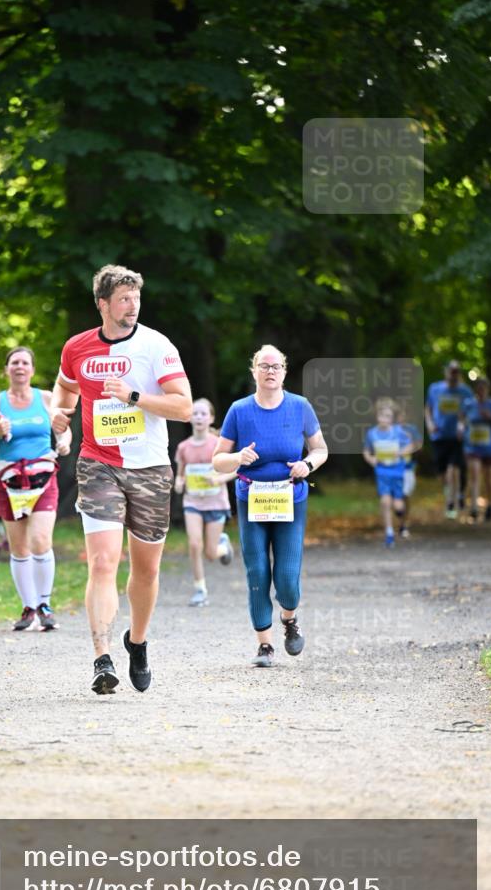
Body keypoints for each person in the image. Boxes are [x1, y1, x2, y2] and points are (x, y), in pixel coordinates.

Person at [51, 264, 192, 694]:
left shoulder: (156, 345)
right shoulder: (77, 347)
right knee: (102, 562)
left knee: (146, 570)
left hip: (150, 468)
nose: (132, 306)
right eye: (124, 299)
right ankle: (102, 658)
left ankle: (138, 641)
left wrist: (134, 396)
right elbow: (65, 388)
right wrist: (59, 414)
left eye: (136, 298)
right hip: (98, 464)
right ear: (103, 304)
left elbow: (183, 406)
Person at [212, 345, 327, 667]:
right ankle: (265, 646)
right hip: (252, 498)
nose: (270, 371)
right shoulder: (239, 410)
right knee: (257, 571)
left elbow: (320, 449)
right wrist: (238, 457)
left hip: (290, 498)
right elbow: (218, 460)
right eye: (264, 366)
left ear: (284, 372)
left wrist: (307, 464)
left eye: (276, 366)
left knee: (287, 575)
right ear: (254, 371)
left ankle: (289, 619)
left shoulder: (300, 406)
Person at [0, 346, 71, 631]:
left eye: (25, 362)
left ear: (32, 369)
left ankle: (44, 605)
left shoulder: (46, 398)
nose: (19, 366)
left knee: (40, 540)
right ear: (6, 370)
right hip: (9, 481)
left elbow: (63, 428)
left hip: (43, 478)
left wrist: (64, 442)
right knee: (18, 547)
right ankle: (28, 608)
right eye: (14, 362)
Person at [174, 398, 235, 606]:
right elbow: (181, 473)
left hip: (216, 502)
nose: (199, 417)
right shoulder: (183, 447)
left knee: (210, 553)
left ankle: (223, 547)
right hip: (192, 501)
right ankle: (200, 589)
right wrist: (179, 482)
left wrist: (219, 479)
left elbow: (236, 469)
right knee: (194, 544)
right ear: (189, 417)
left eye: (203, 414)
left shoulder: (218, 444)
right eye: (195, 413)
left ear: (211, 419)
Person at [425, 360, 473, 519]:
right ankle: (450, 492)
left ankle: (452, 500)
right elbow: (428, 409)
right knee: (442, 472)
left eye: (456, 371)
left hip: (457, 437)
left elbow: (470, 412)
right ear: (446, 372)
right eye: (451, 371)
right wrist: (430, 424)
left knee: (453, 468)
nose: (453, 374)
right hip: (439, 436)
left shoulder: (465, 391)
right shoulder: (435, 389)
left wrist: (463, 425)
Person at [363, 400, 414, 548]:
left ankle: (400, 514)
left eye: (388, 416)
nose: (384, 419)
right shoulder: (372, 433)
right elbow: (366, 451)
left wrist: (400, 452)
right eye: (382, 416)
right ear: (377, 416)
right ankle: (389, 533)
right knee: (385, 501)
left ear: (392, 419)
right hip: (382, 472)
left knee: (398, 505)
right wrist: (371, 459)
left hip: (397, 471)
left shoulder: (398, 432)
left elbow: (411, 445)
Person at [460, 377, 491, 522]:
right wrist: (460, 428)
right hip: (472, 446)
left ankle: (490, 505)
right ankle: (474, 507)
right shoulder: (469, 404)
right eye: (479, 389)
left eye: (483, 389)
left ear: (488, 390)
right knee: (474, 474)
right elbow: (462, 419)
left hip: (489, 447)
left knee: (488, 478)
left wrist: (490, 418)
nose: (481, 392)